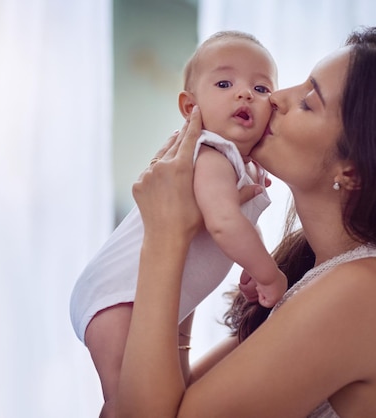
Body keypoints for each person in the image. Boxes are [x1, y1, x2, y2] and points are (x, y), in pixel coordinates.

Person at [117, 26, 376, 417]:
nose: (274, 98)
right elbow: (167, 400)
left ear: (354, 170)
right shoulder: (316, 279)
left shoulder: (371, 291)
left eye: (308, 102)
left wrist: (164, 237)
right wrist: (189, 243)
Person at [70, 31, 286, 417]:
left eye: (260, 86)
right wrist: (267, 273)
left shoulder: (242, 168)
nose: (244, 94)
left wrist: (251, 262)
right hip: (118, 298)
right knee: (124, 400)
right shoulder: (211, 153)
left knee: (135, 395)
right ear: (190, 108)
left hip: (140, 298)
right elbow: (222, 222)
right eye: (224, 83)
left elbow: (232, 225)